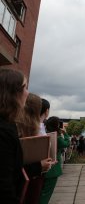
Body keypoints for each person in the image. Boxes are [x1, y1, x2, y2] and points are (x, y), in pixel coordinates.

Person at [16, 93, 52, 204]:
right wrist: (40, 165)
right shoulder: (34, 130)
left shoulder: (17, 127)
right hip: (30, 178)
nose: (26, 91)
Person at [0, 68, 29, 203]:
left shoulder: (8, 125)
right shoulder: (3, 131)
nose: (27, 93)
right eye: (25, 87)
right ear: (13, 93)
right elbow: (4, 185)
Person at [40, 116, 70, 204]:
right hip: (52, 169)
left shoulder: (44, 133)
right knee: (46, 195)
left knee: (41, 192)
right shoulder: (56, 137)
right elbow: (67, 143)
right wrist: (65, 133)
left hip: (42, 167)